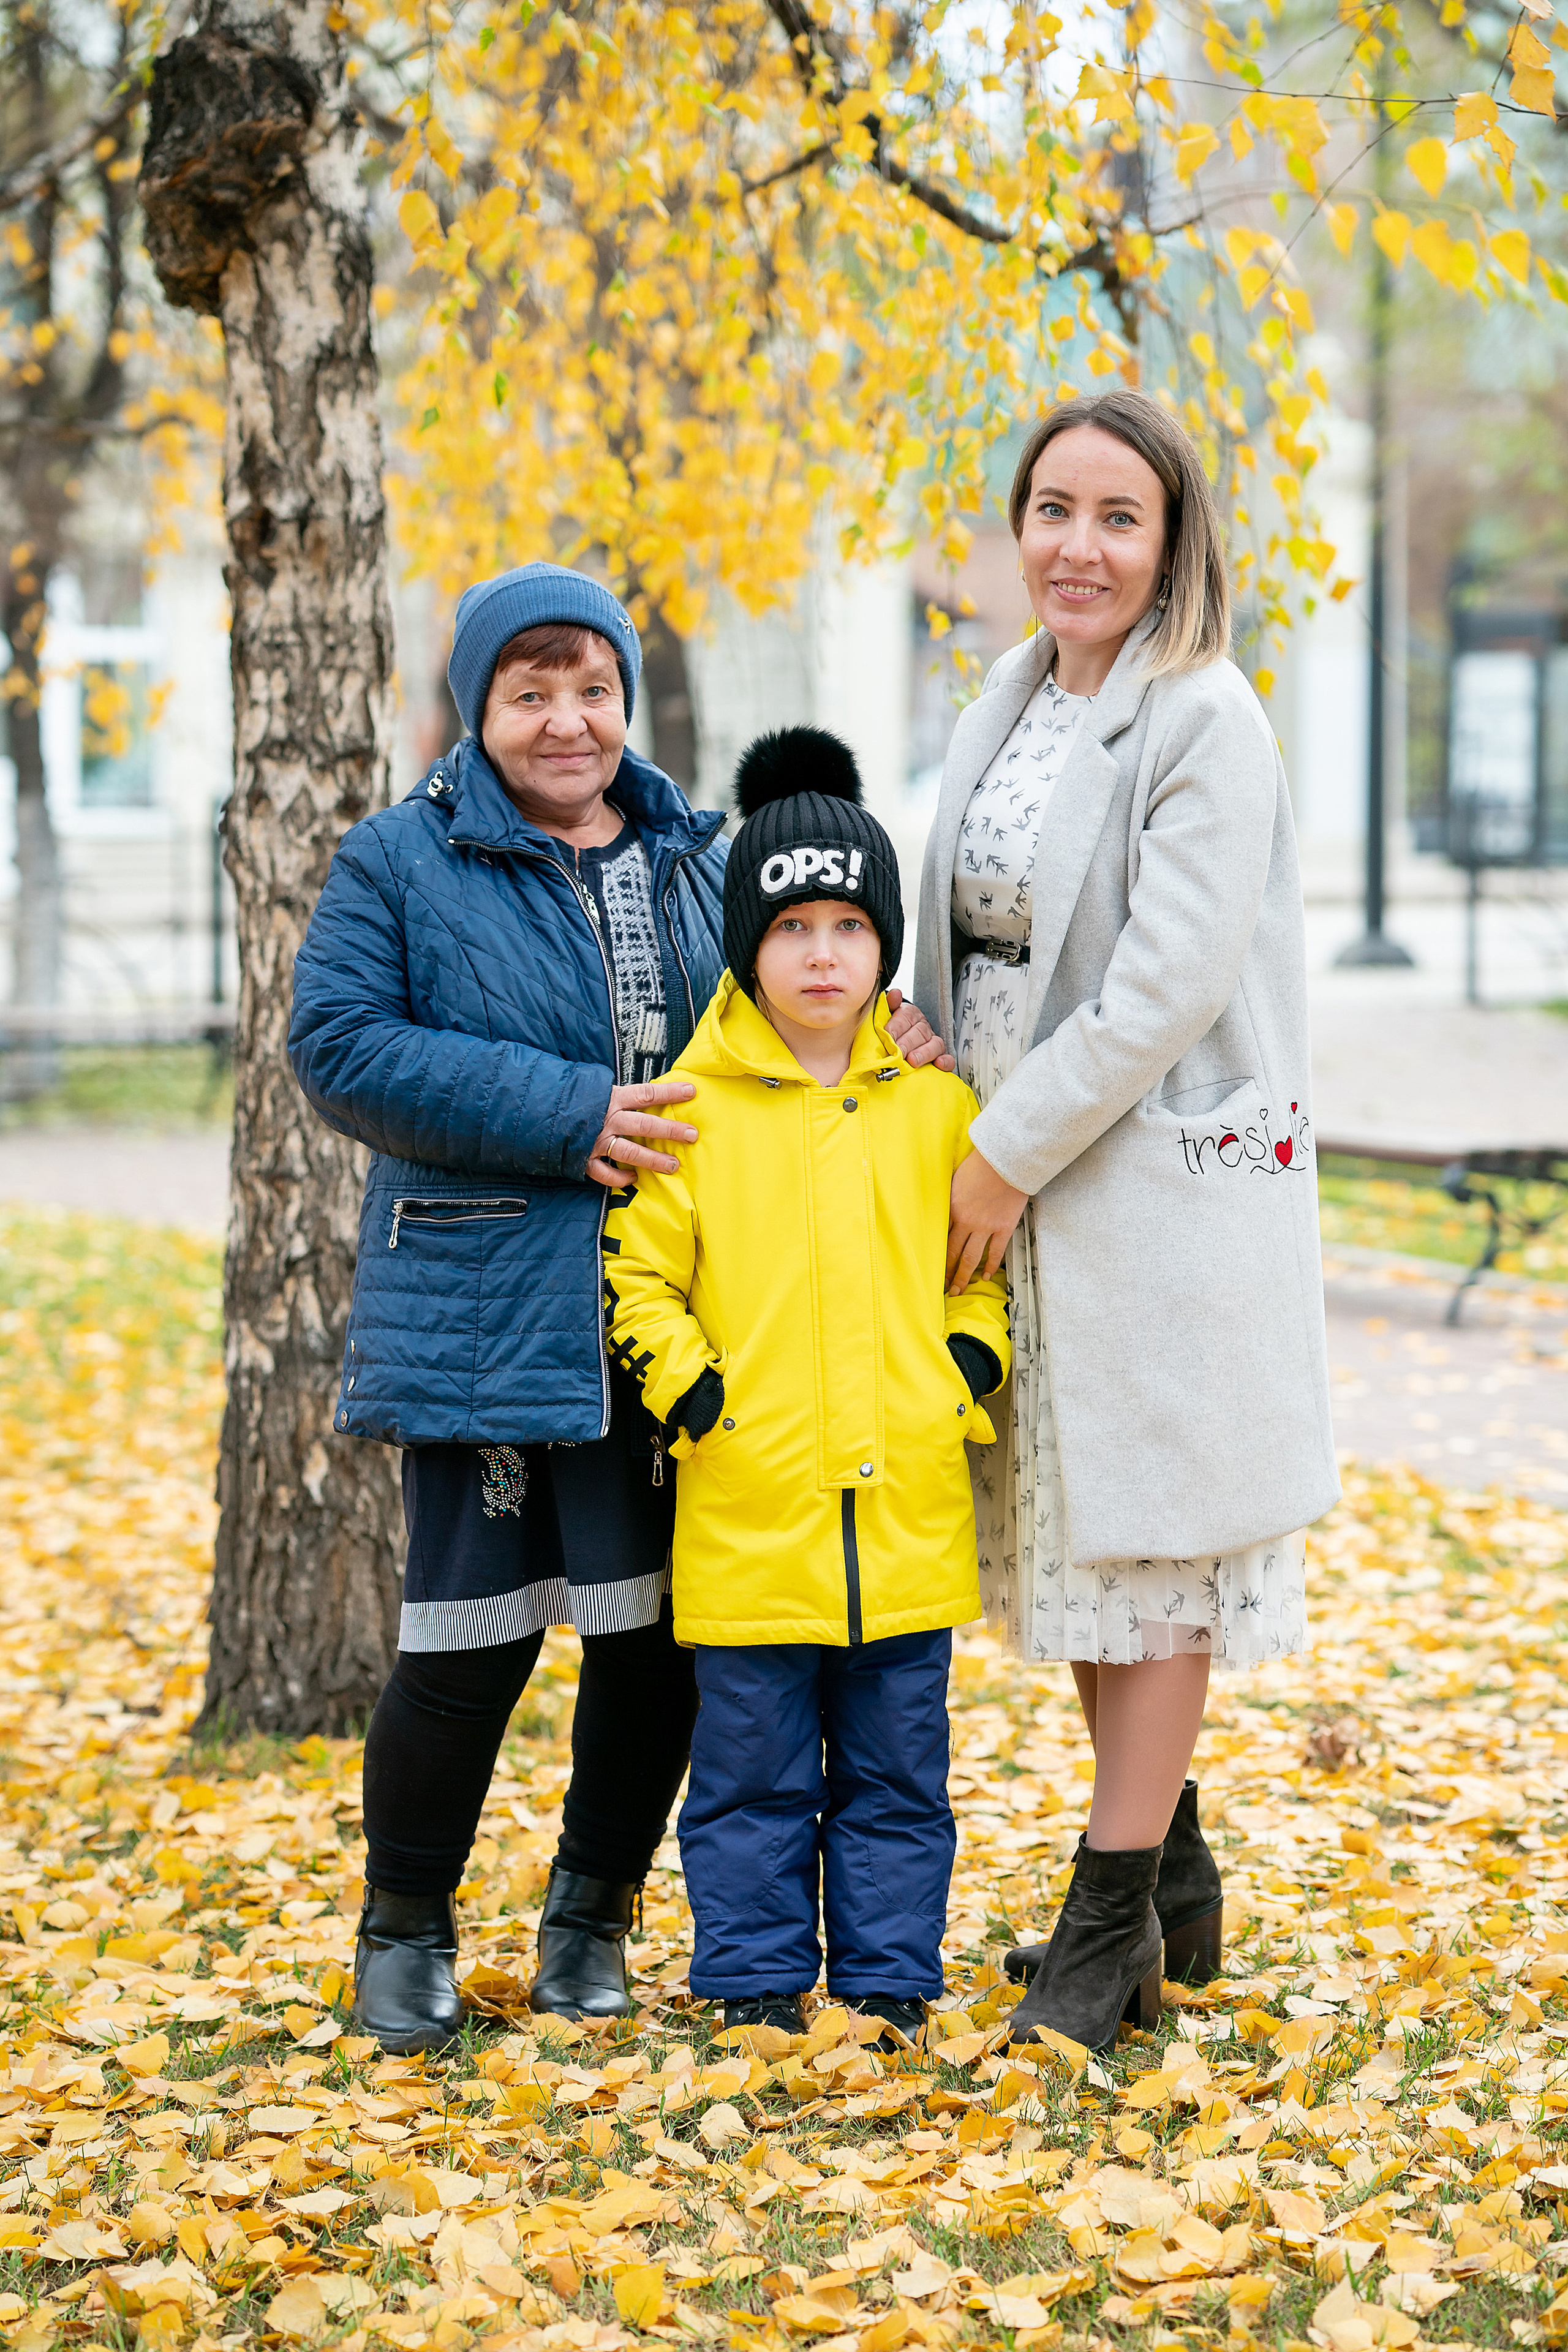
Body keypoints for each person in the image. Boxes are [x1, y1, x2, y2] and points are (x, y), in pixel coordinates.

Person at [288, 565, 949, 2051]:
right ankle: (405, 1926)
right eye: (529, 691)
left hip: (684, 1329)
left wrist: (886, 1022)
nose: (565, 720)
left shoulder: (694, 853)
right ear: (479, 708)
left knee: (652, 1644)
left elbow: (795, 993)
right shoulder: (401, 860)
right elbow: (336, 1045)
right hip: (489, 1306)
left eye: (591, 687)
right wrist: (566, 1111)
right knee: (465, 1641)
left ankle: (589, 1919)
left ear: (624, 699)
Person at [912, 390, 1339, 2052]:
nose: (1076, 547)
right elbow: (982, 934)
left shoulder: (1204, 714)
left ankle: (1106, 1936)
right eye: (1051, 511)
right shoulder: (1008, 700)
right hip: (1014, 1174)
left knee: (1154, 1559)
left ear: (1172, 548)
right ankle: (1174, 1879)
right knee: (1085, 1552)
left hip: (1138, 1180)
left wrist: (1004, 1152)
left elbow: (1162, 984)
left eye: (1117, 517)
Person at [601, 728, 1011, 2041]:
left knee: (899, 1775)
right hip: (747, 1518)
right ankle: (752, 1987)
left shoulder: (939, 1111)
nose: (822, 954)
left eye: (848, 925)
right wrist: (695, 1395)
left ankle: (887, 1985)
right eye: (791, 928)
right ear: (746, 946)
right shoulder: (690, 1112)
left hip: (904, 1522)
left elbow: (977, 1277)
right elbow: (636, 1280)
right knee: (746, 1780)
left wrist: (962, 1364)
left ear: (886, 947)